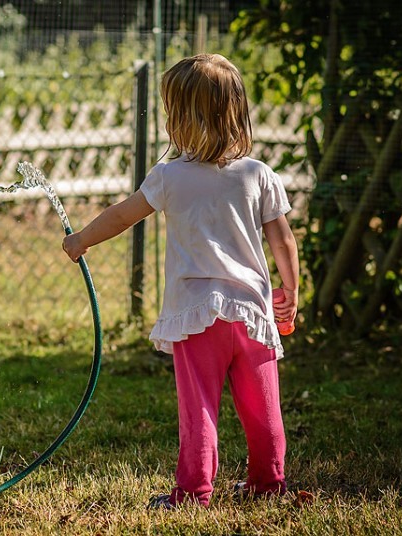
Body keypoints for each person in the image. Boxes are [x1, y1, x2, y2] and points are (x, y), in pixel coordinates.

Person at [62, 53, 299, 509]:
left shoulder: (170, 177)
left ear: (185, 120)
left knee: (200, 409)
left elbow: (121, 215)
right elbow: (284, 241)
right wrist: (291, 291)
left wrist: (81, 241)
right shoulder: (259, 175)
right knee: (263, 407)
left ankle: (193, 493)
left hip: (198, 315)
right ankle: (268, 485)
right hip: (252, 313)